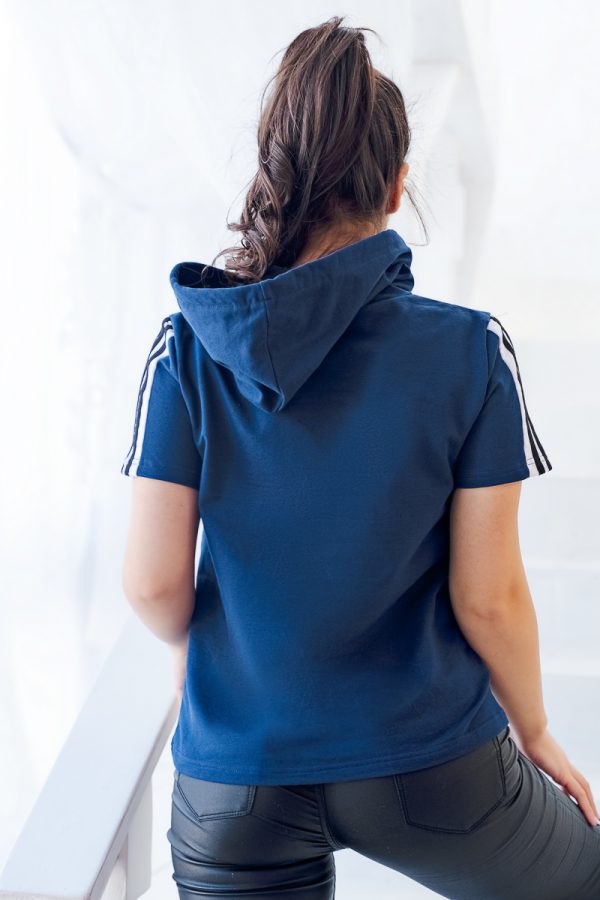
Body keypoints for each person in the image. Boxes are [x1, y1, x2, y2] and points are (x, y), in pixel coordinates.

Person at [120, 15, 600, 900]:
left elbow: (152, 584)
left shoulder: (185, 349)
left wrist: (215, 664)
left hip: (235, 781)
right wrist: (535, 732)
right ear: (397, 187)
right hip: (433, 768)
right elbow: (489, 597)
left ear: (277, 177)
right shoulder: (472, 352)